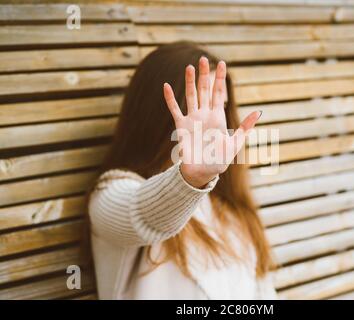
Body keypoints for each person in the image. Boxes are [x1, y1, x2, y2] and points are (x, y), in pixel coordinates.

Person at [88, 42, 276, 299]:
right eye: (203, 103)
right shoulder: (110, 194)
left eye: (221, 105)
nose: (217, 120)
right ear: (161, 112)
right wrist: (191, 178)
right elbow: (143, 214)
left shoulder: (232, 208)